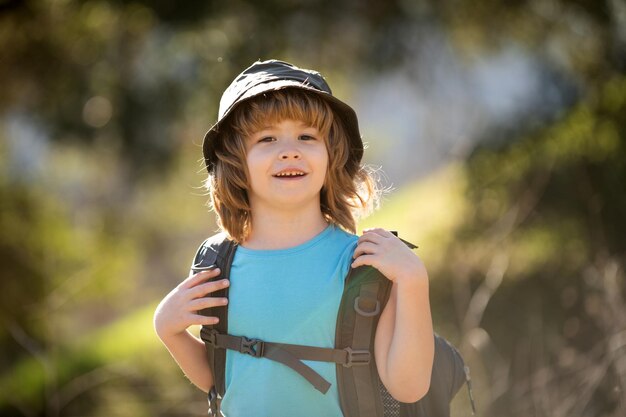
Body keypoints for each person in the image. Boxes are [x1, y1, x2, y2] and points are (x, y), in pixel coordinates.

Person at [153, 60, 434, 417]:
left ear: (331, 156)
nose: (290, 150)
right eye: (267, 138)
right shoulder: (216, 264)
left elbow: (408, 387)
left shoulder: (365, 264)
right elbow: (222, 379)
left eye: (307, 137)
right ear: (237, 163)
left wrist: (413, 281)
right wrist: (169, 330)